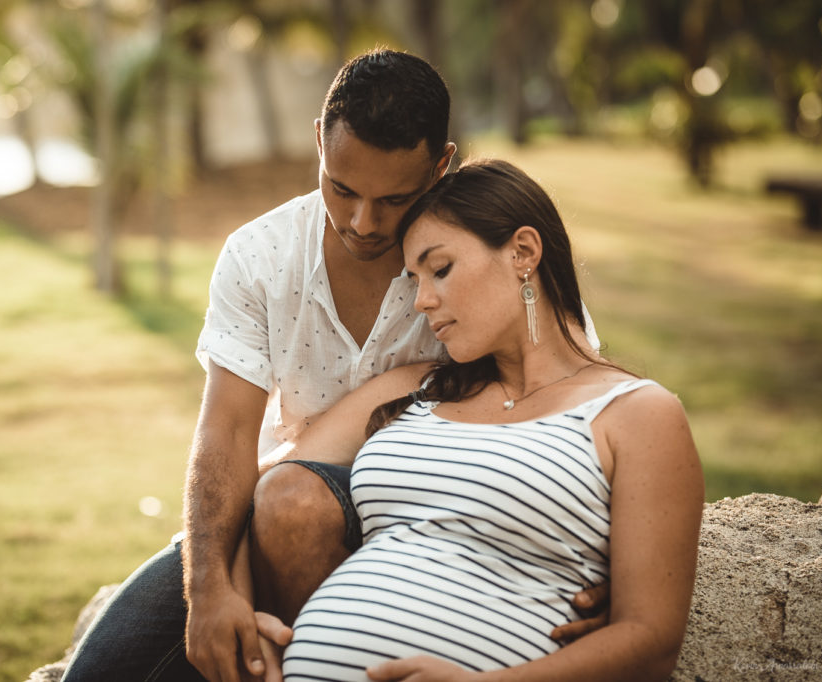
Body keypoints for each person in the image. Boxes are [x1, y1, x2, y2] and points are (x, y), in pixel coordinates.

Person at [60, 50, 602, 682]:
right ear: (319, 140)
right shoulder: (259, 255)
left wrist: (600, 567)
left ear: (442, 166)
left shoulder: (472, 257)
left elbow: (574, 398)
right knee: (102, 669)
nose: (361, 222)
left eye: (394, 199)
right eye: (341, 188)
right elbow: (228, 430)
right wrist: (211, 585)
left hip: (424, 506)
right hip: (274, 492)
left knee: (296, 507)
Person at [255, 159, 704, 681]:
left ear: (523, 253)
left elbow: (650, 645)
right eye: (414, 279)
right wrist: (242, 611)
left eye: (440, 269)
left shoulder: (638, 414)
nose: (421, 301)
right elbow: (267, 488)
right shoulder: (415, 387)